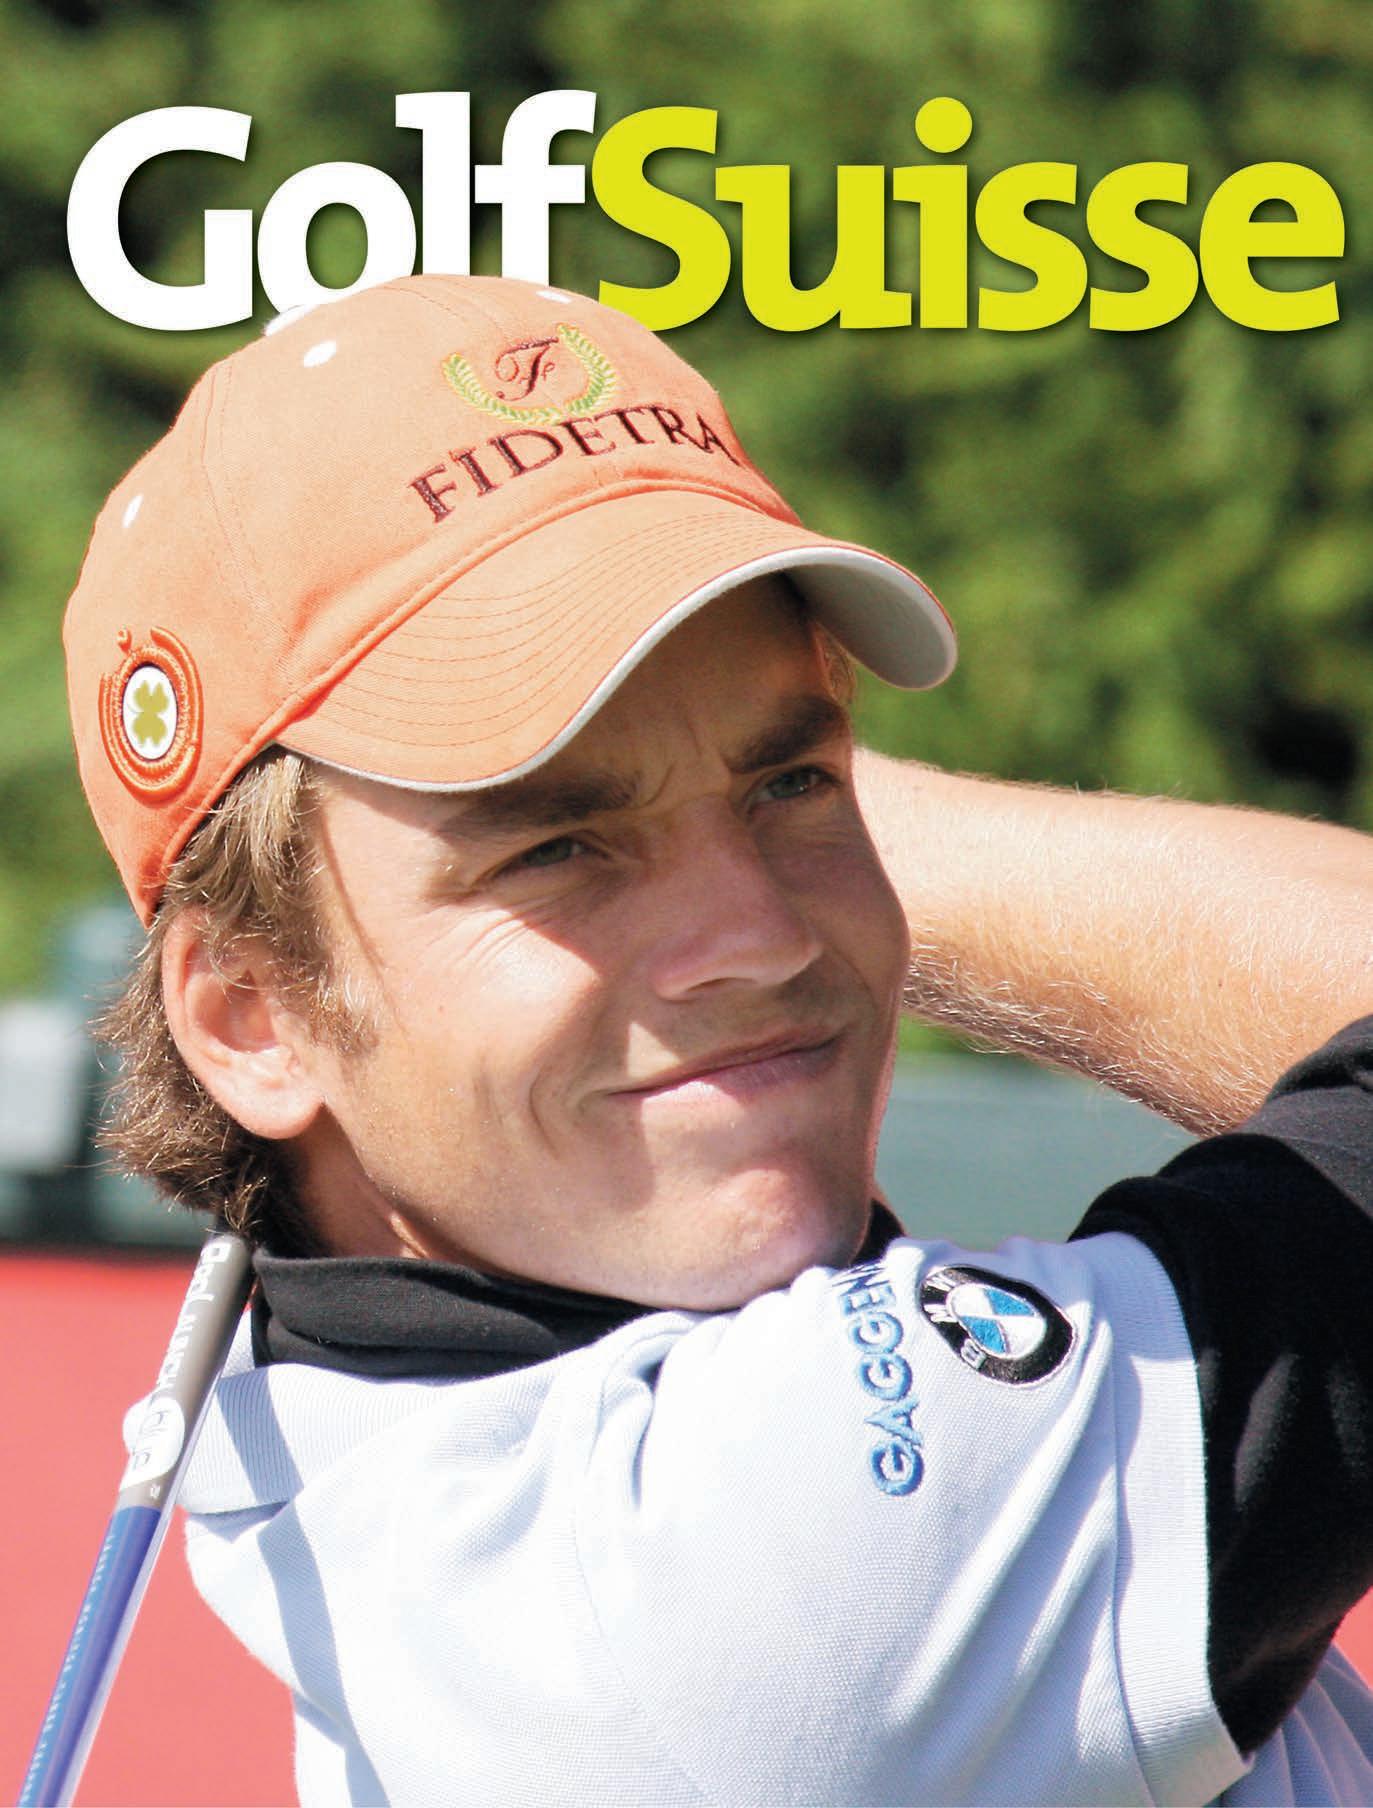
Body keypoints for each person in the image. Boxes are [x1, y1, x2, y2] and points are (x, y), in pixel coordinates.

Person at [65, 274, 1373, 1805]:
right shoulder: (704, 1572)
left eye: (794, 783)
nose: (755, 932)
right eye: (555, 846)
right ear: (250, 1018)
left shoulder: (373, 1464)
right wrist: (778, 797)